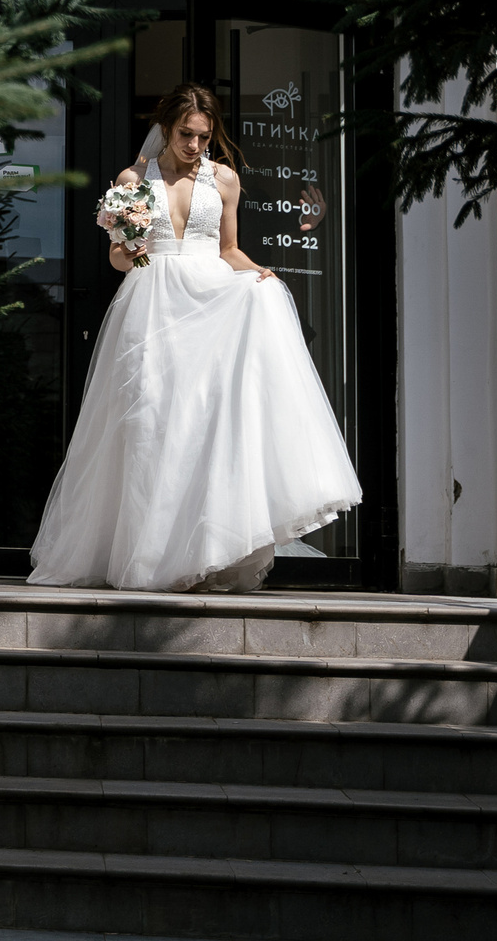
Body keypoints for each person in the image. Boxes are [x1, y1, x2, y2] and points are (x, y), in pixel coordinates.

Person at [27, 82, 362, 592]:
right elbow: (120, 259)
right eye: (186, 134)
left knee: (203, 423)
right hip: (153, 301)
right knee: (150, 420)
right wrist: (132, 244)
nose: (195, 146)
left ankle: (204, 553)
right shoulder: (133, 179)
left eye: (204, 137)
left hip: (211, 305)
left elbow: (229, 249)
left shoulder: (224, 179)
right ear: (166, 129)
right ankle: (147, 558)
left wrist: (258, 274)